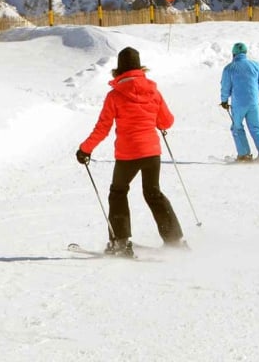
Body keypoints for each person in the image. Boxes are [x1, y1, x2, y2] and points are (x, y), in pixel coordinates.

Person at [75, 46, 185, 257]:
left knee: (118, 192)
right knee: (153, 193)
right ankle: (175, 240)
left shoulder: (115, 96)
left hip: (128, 155)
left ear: (119, 70)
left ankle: (121, 242)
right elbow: (167, 121)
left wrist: (85, 149)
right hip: (152, 153)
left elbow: (102, 128)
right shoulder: (153, 92)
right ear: (140, 67)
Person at [220, 42, 259, 162]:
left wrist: (224, 101)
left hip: (238, 104)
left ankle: (244, 155)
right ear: (245, 53)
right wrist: (253, 95)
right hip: (253, 102)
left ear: (234, 54)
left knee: (237, 128)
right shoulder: (255, 65)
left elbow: (225, 86)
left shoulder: (229, 68)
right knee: (255, 128)